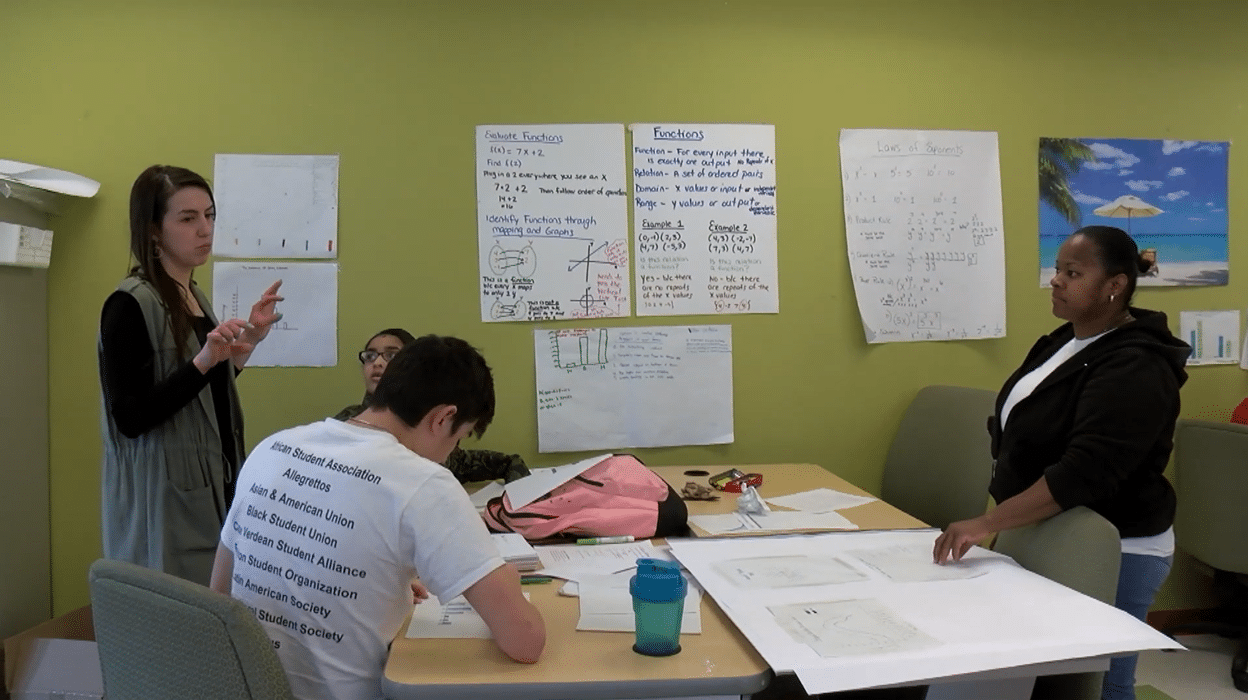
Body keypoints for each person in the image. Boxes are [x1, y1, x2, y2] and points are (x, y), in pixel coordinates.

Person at [933, 225, 1190, 700]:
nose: (1056, 281)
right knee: (1046, 680)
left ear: (1114, 284)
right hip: (1048, 530)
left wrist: (987, 521)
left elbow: (1083, 472)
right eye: (1057, 270)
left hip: (1115, 546)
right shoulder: (1065, 342)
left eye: (1073, 273)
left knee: (1098, 685)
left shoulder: (1138, 365)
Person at [211, 334, 545, 700]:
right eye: (459, 437)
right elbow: (525, 643)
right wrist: (507, 580)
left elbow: (220, 595)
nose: (451, 452)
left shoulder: (273, 448)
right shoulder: (424, 483)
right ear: (444, 418)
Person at [99, 164, 283, 586]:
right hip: (163, 503)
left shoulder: (193, 295)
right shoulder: (129, 304)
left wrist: (245, 345)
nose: (205, 229)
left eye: (210, 215)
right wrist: (204, 361)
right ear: (152, 231)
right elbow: (131, 417)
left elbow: (199, 399)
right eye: (188, 218)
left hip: (213, 489)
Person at [334, 327, 530, 483]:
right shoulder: (346, 428)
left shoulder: (436, 435)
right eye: (370, 356)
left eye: (391, 356)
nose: (377, 363)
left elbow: (506, 463)